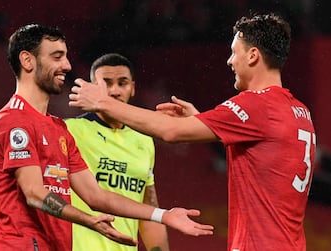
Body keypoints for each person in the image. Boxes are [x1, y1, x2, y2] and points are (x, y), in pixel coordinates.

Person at [69, 13, 315, 251]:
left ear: (252, 55)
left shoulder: (255, 105)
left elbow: (171, 132)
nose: (230, 61)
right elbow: (262, 158)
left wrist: (103, 102)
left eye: (233, 53)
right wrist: (202, 121)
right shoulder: (298, 110)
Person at [0, 24, 214, 251]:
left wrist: (163, 215)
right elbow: (34, 193)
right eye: (57, 57)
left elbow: (97, 196)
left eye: (66, 56)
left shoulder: (58, 129)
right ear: (27, 61)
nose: (67, 66)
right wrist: (89, 221)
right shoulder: (14, 120)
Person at [66, 53, 169, 251]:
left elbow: (149, 210)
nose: (114, 91)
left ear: (133, 88)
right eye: (106, 83)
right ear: (92, 88)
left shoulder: (144, 140)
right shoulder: (69, 130)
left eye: (122, 83)